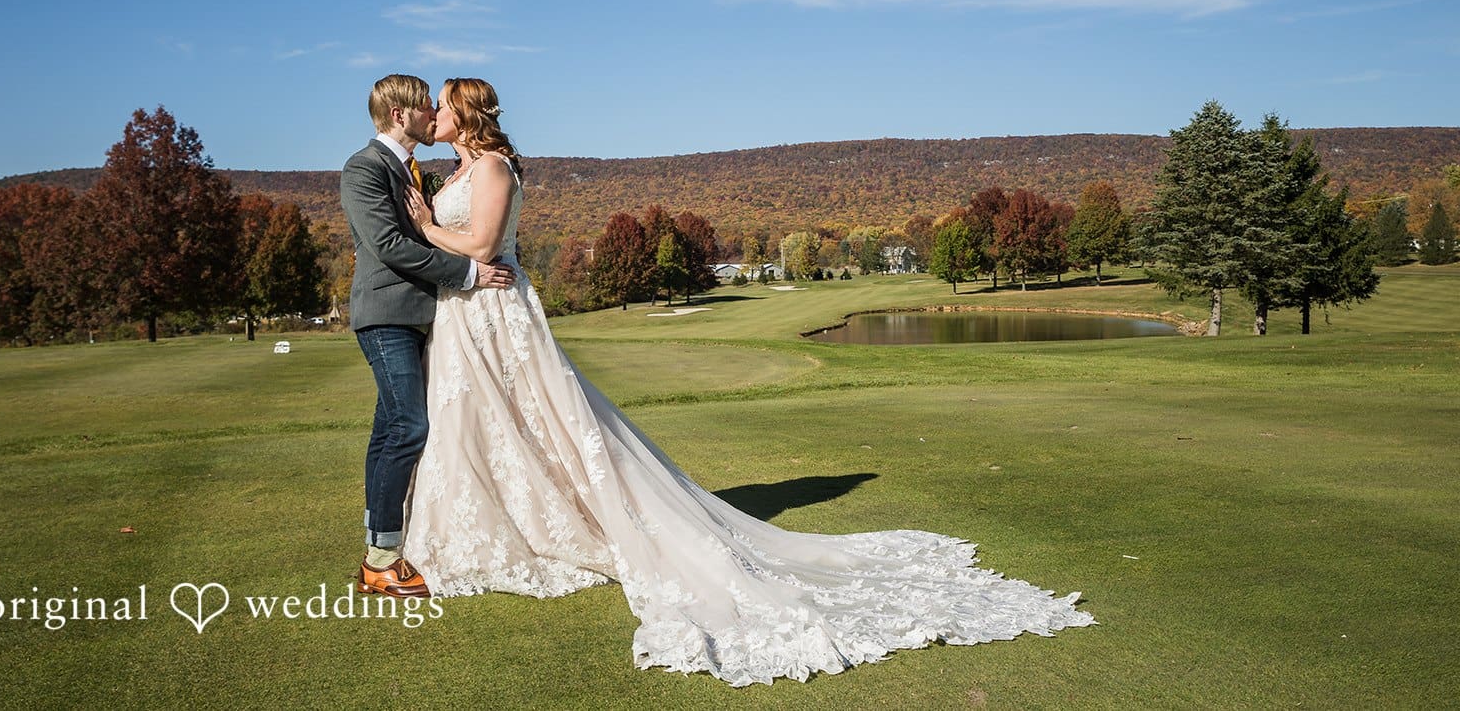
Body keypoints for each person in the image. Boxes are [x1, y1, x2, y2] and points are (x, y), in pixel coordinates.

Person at [400, 78, 1095, 686]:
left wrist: (428, 225)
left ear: (466, 113)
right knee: (483, 425)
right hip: (466, 317)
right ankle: (496, 526)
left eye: (441, 105)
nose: (432, 112)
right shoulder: (456, 168)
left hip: (495, 312)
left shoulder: (491, 166)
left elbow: (485, 247)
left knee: (546, 418)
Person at [339, 73, 514, 598]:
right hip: (387, 315)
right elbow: (390, 245)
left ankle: (379, 547)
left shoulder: (417, 171)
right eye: (425, 107)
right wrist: (467, 275)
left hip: (423, 318)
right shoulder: (364, 168)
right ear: (400, 115)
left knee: (388, 429)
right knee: (410, 427)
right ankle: (383, 558)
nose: (432, 116)